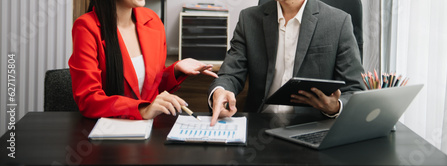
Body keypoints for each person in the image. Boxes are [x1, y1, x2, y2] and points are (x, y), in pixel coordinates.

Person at [208, 0, 365, 126]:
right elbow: (230, 73)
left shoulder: (338, 22)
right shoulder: (248, 19)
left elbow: (354, 89)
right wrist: (220, 90)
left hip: (310, 127)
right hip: (259, 126)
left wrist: (335, 108)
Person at [69, 0, 217, 120]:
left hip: (149, 131)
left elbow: (149, 88)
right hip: (110, 134)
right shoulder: (86, 27)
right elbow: (88, 100)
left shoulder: (152, 21)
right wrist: (143, 109)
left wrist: (176, 70)